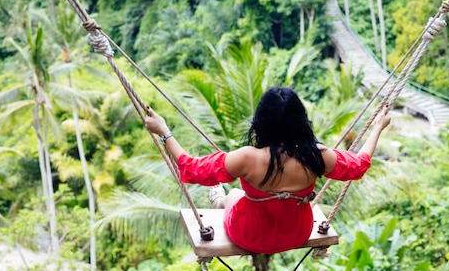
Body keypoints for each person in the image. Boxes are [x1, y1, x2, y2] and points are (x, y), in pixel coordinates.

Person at [144, 87, 391, 254]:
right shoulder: (318, 155)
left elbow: (192, 168)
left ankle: (219, 198)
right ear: (301, 120)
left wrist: (164, 132)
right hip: (296, 233)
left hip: (247, 234)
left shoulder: (247, 158)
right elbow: (359, 166)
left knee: (234, 196)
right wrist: (377, 127)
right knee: (293, 201)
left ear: (260, 121)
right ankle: (224, 197)